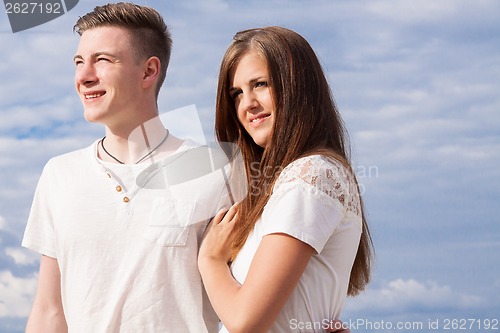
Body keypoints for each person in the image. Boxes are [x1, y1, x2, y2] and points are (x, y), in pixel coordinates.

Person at [21, 3, 233, 332]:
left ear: (149, 71)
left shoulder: (214, 171)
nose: (83, 76)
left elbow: (251, 290)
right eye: (79, 62)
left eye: (102, 60)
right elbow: (49, 310)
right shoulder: (59, 175)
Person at [198, 26, 374, 332]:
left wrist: (211, 261)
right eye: (237, 93)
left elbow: (246, 322)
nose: (247, 104)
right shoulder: (285, 183)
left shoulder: (310, 175)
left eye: (261, 84)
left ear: (297, 87)